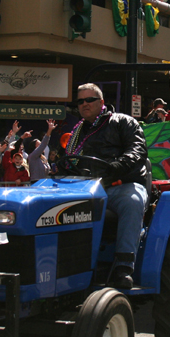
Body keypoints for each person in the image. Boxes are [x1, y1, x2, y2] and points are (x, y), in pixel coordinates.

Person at [60, 83, 149, 289]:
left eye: (89, 100)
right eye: (80, 101)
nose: (84, 104)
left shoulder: (123, 122)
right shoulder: (77, 131)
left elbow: (137, 150)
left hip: (120, 183)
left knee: (132, 202)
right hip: (85, 186)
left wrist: (119, 165)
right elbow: (68, 159)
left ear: (101, 102)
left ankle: (124, 267)